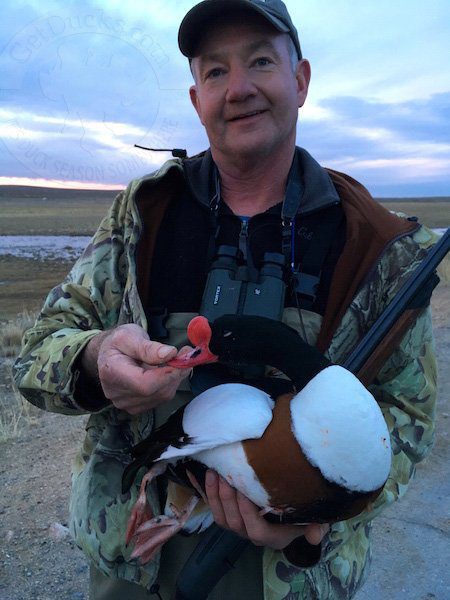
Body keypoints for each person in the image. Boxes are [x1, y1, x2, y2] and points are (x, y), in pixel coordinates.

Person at [13, 0, 438, 598]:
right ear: (197, 100)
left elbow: (407, 418)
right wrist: (94, 358)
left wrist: (313, 517)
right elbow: (36, 355)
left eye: (260, 61)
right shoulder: (142, 214)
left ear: (301, 80)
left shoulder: (377, 245)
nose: (238, 89)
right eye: (215, 71)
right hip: (133, 565)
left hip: (289, 580)